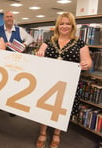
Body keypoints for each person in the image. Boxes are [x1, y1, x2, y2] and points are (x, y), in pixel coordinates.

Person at [35, 12, 92, 148]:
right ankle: (42, 132)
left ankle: (56, 134)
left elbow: (88, 61)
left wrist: (86, 64)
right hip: (48, 82)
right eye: (62, 23)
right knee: (45, 107)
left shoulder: (80, 44)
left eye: (67, 23)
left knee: (61, 109)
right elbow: (38, 56)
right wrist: (39, 54)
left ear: (72, 26)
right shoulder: (48, 42)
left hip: (68, 85)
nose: (64, 26)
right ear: (57, 26)